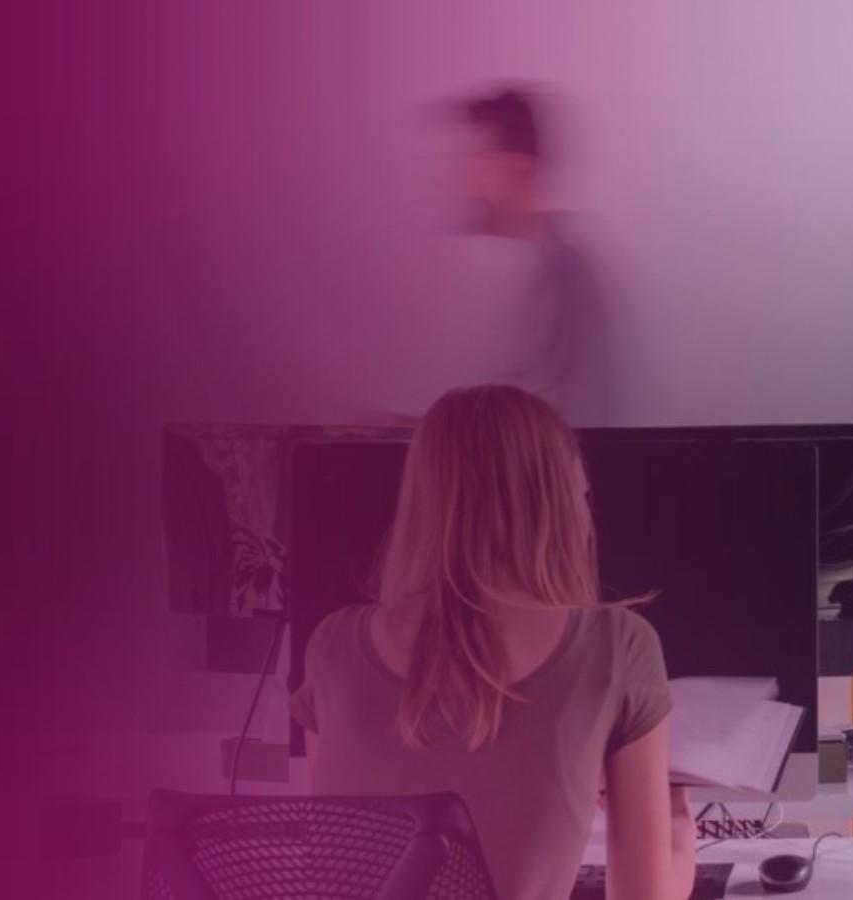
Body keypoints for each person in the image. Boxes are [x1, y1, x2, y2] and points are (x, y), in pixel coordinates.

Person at [291, 385, 694, 900]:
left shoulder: (332, 647)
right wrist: (678, 826)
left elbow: (340, 854)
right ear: (560, 502)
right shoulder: (619, 647)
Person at [452, 88, 615, 424]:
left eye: (478, 160)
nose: (464, 181)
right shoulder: (498, 272)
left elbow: (581, 418)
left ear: (519, 167)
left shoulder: (566, 277)